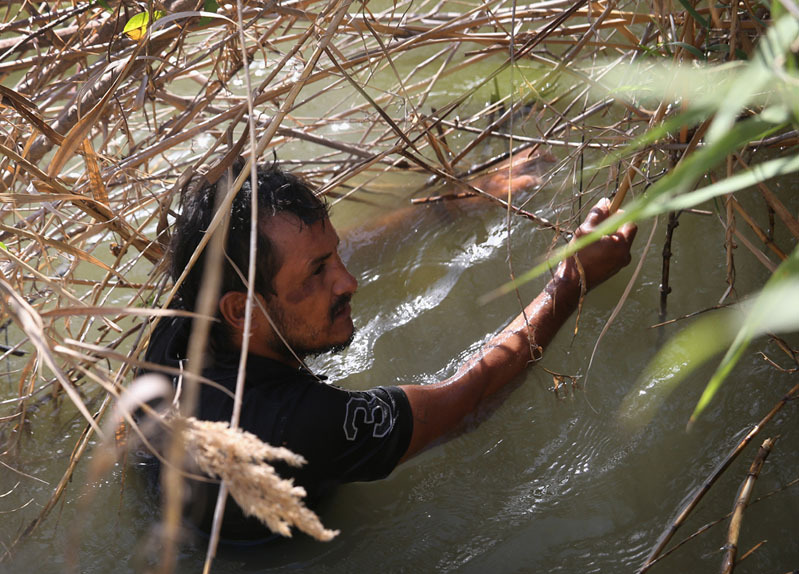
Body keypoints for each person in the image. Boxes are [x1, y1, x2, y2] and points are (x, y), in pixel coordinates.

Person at [144, 157, 637, 540]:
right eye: (318, 272)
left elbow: (339, 249)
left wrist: (458, 203)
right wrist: (570, 285)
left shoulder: (179, 320)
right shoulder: (297, 425)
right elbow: (465, 399)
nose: (348, 281)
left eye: (331, 255)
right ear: (241, 310)